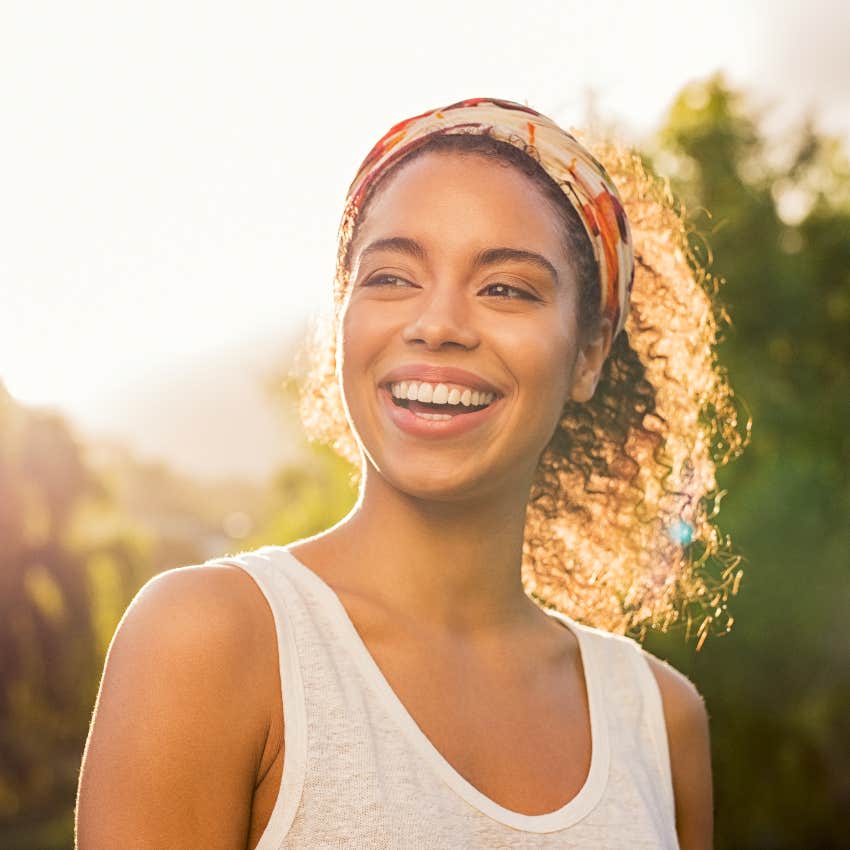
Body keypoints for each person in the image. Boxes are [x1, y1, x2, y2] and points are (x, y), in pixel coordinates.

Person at [76, 97, 741, 849]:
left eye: (506, 288)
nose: (437, 324)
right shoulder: (210, 640)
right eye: (392, 277)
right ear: (344, 316)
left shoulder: (659, 721)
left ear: (588, 353)